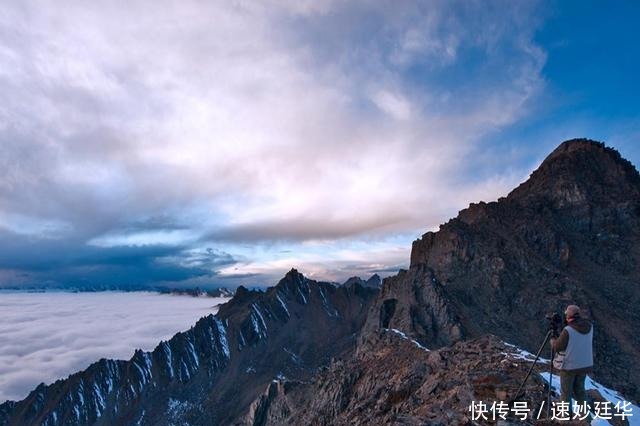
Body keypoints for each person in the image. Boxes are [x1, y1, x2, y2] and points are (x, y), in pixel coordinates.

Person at [551, 304, 593, 415]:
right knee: (580, 391)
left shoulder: (568, 330)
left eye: (566, 314)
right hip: (584, 365)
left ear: (569, 315)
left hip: (570, 366)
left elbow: (557, 347)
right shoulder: (589, 326)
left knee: (566, 392)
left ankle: (566, 416)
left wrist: (553, 339)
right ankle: (586, 418)